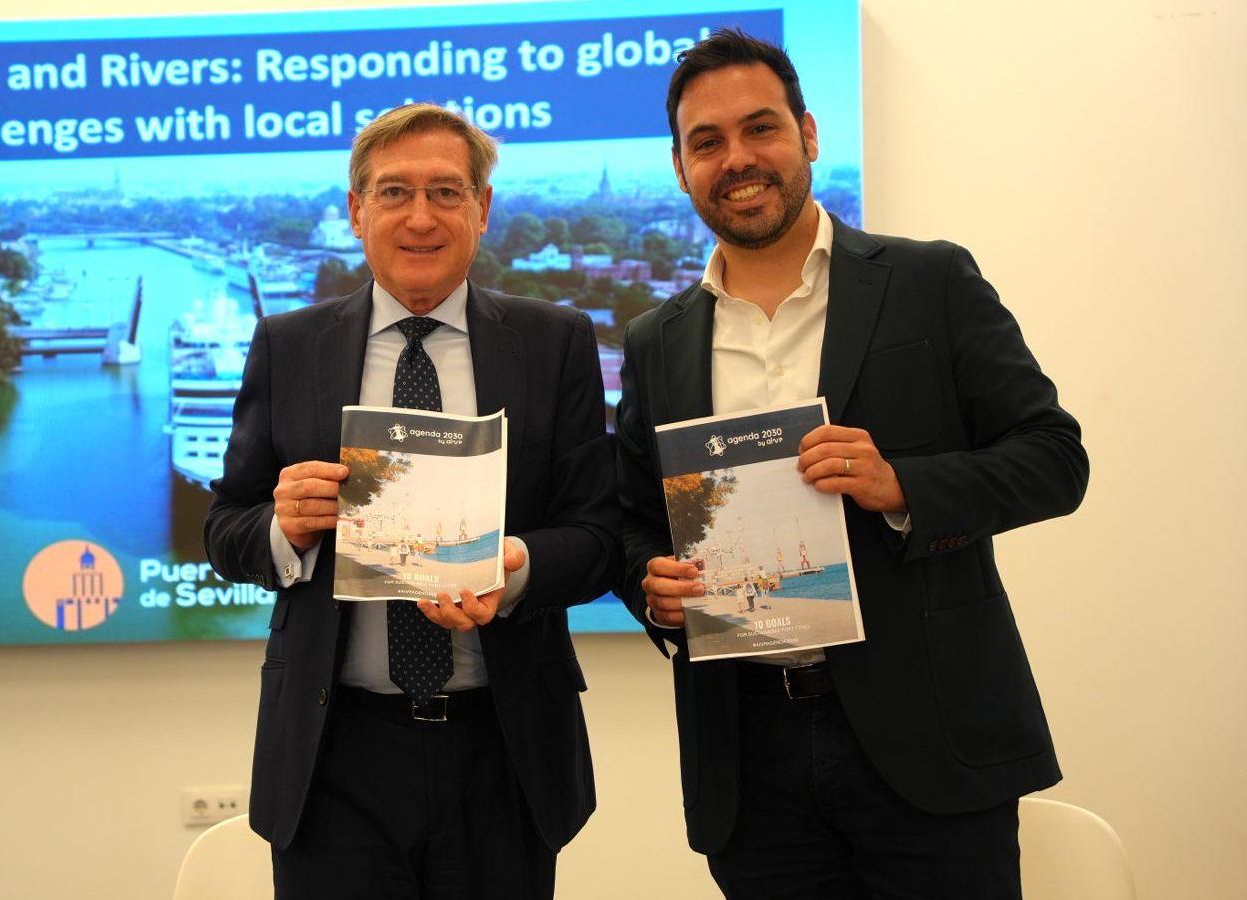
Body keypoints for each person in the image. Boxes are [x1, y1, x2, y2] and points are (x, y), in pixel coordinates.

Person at [614, 29, 1089, 899]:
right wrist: (654, 587)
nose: (737, 159)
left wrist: (902, 484)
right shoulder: (655, 341)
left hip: (931, 742)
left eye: (760, 128)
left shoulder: (928, 282)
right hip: (748, 761)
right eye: (706, 142)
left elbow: (1055, 458)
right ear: (680, 168)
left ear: (807, 134)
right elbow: (631, 522)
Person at [204, 103, 616, 899]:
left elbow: (598, 536)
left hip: (504, 750)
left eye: (446, 192)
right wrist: (284, 530)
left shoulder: (555, 342)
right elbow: (225, 528)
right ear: (357, 210)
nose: (420, 217)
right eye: (394, 192)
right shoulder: (287, 346)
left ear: (482, 209)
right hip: (333, 753)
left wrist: (516, 567)